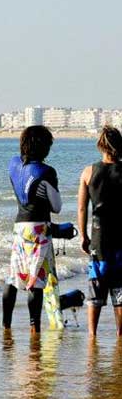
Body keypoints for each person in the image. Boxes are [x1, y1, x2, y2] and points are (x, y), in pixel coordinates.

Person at [3, 126, 62, 335]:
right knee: (35, 280)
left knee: (13, 276)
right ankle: (34, 329)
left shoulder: (13, 164)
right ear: (43, 146)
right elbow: (57, 207)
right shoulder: (46, 172)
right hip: (39, 229)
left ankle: (6, 326)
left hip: (19, 227)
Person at [77, 125, 122, 337]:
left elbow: (82, 207)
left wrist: (83, 236)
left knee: (96, 284)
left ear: (100, 145)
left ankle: (92, 336)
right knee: (120, 289)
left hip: (98, 234)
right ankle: (120, 335)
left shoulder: (88, 172)